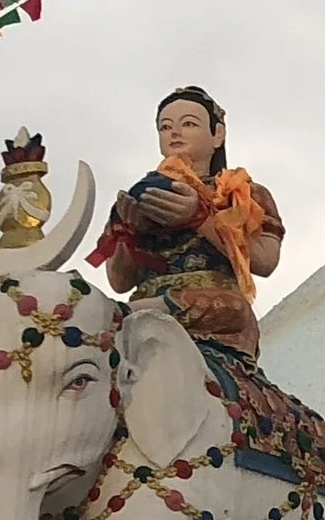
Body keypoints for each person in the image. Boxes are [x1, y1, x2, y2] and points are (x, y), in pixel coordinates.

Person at [89, 84, 282, 361]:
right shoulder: (144, 195)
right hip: (143, 305)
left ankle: (136, 312)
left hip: (214, 307)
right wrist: (127, 233)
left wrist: (201, 219)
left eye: (188, 124)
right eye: (165, 127)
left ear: (218, 134)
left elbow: (265, 261)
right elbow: (119, 282)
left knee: (232, 306)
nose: (175, 133)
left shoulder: (244, 193)